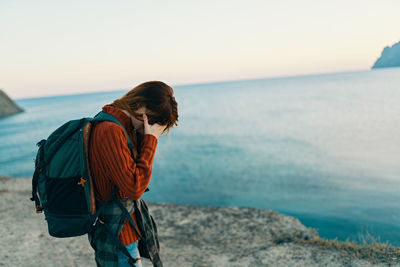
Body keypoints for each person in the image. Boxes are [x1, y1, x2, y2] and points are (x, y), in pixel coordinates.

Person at [87, 81, 178, 267]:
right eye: (150, 120)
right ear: (140, 105)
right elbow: (135, 188)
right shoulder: (111, 130)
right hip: (117, 233)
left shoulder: (116, 125)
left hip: (119, 229)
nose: (148, 127)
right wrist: (150, 140)